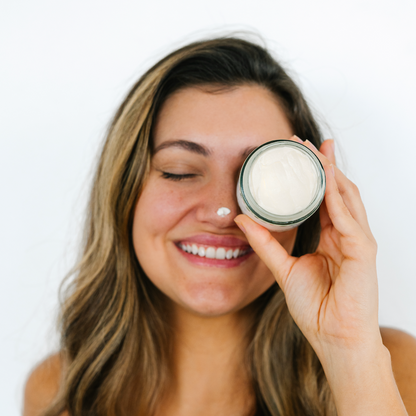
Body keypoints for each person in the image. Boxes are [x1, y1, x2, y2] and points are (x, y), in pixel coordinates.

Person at [23, 36, 416, 416]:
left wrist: (347, 350)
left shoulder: (392, 373)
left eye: (260, 179)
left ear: (311, 202)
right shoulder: (58, 391)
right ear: (123, 191)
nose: (223, 211)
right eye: (180, 172)